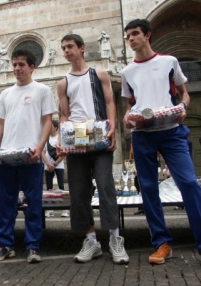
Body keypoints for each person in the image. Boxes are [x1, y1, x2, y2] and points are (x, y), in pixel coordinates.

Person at [121, 18, 201, 271]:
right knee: (148, 189)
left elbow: (184, 93)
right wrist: (127, 117)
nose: (131, 39)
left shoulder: (169, 62)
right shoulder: (127, 72)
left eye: (135, 34)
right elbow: (131, 104)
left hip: (172, 132)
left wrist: (184, 108)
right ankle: (161, 242)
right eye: (128, 36)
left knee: (189, 184)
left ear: (147, 35)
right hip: (143, 134)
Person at [56, 34, 129, 265]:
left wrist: (113, 127)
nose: (66, 51)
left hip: (99, 136)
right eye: (63, 48)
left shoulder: (100, 74)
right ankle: (91, 241)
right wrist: (61, 138)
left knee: (106, 186)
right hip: (76, 139)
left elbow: (109, 102)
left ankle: (116, 239)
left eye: (70, 47)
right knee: (78, 192)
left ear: (81, 48)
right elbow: (65, 115)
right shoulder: (63, 82)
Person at [0, 49, 56, 264]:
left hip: (30, 156)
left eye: (21, 65)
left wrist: (40, 147)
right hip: (7, 156)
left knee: (33, 203)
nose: (16, 68)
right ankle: (5, 245)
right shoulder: (6, 93)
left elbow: (47, 122)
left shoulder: (42, 90)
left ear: (31, 67)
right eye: (14, 64)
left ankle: (33, 246)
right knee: (6, 203)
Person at [41, 119, 68, 218]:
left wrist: (55, 164)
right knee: (49, 188)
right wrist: (48, 163)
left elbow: (63, 154)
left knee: (61, 187)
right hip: (47, 165)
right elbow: (42, 152)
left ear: (55, 127)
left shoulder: (59, 138)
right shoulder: (45, 138)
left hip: (59, 165)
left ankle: (65, 209)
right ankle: (49, 209)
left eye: (51, 126)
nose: (49, 127)